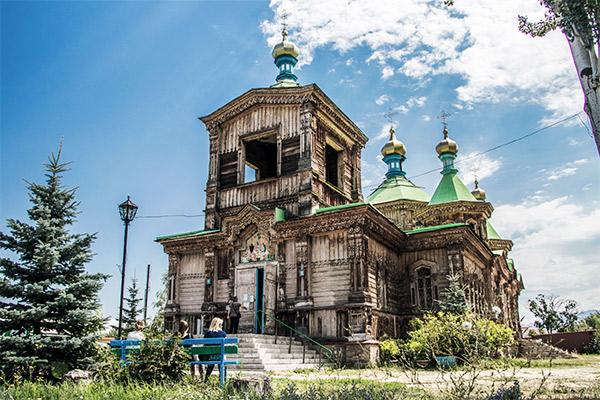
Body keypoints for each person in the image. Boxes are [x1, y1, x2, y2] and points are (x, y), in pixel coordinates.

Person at [203, 317, 226, 382]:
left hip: (210, 357)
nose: (222, 326)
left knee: (211, 361)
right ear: (219, 325)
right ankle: (221, 380)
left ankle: (206, 380)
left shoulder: (207, 334)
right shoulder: (223, 334)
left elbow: (204, 346)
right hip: (220, 356)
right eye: (221, 324)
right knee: (221, 358)